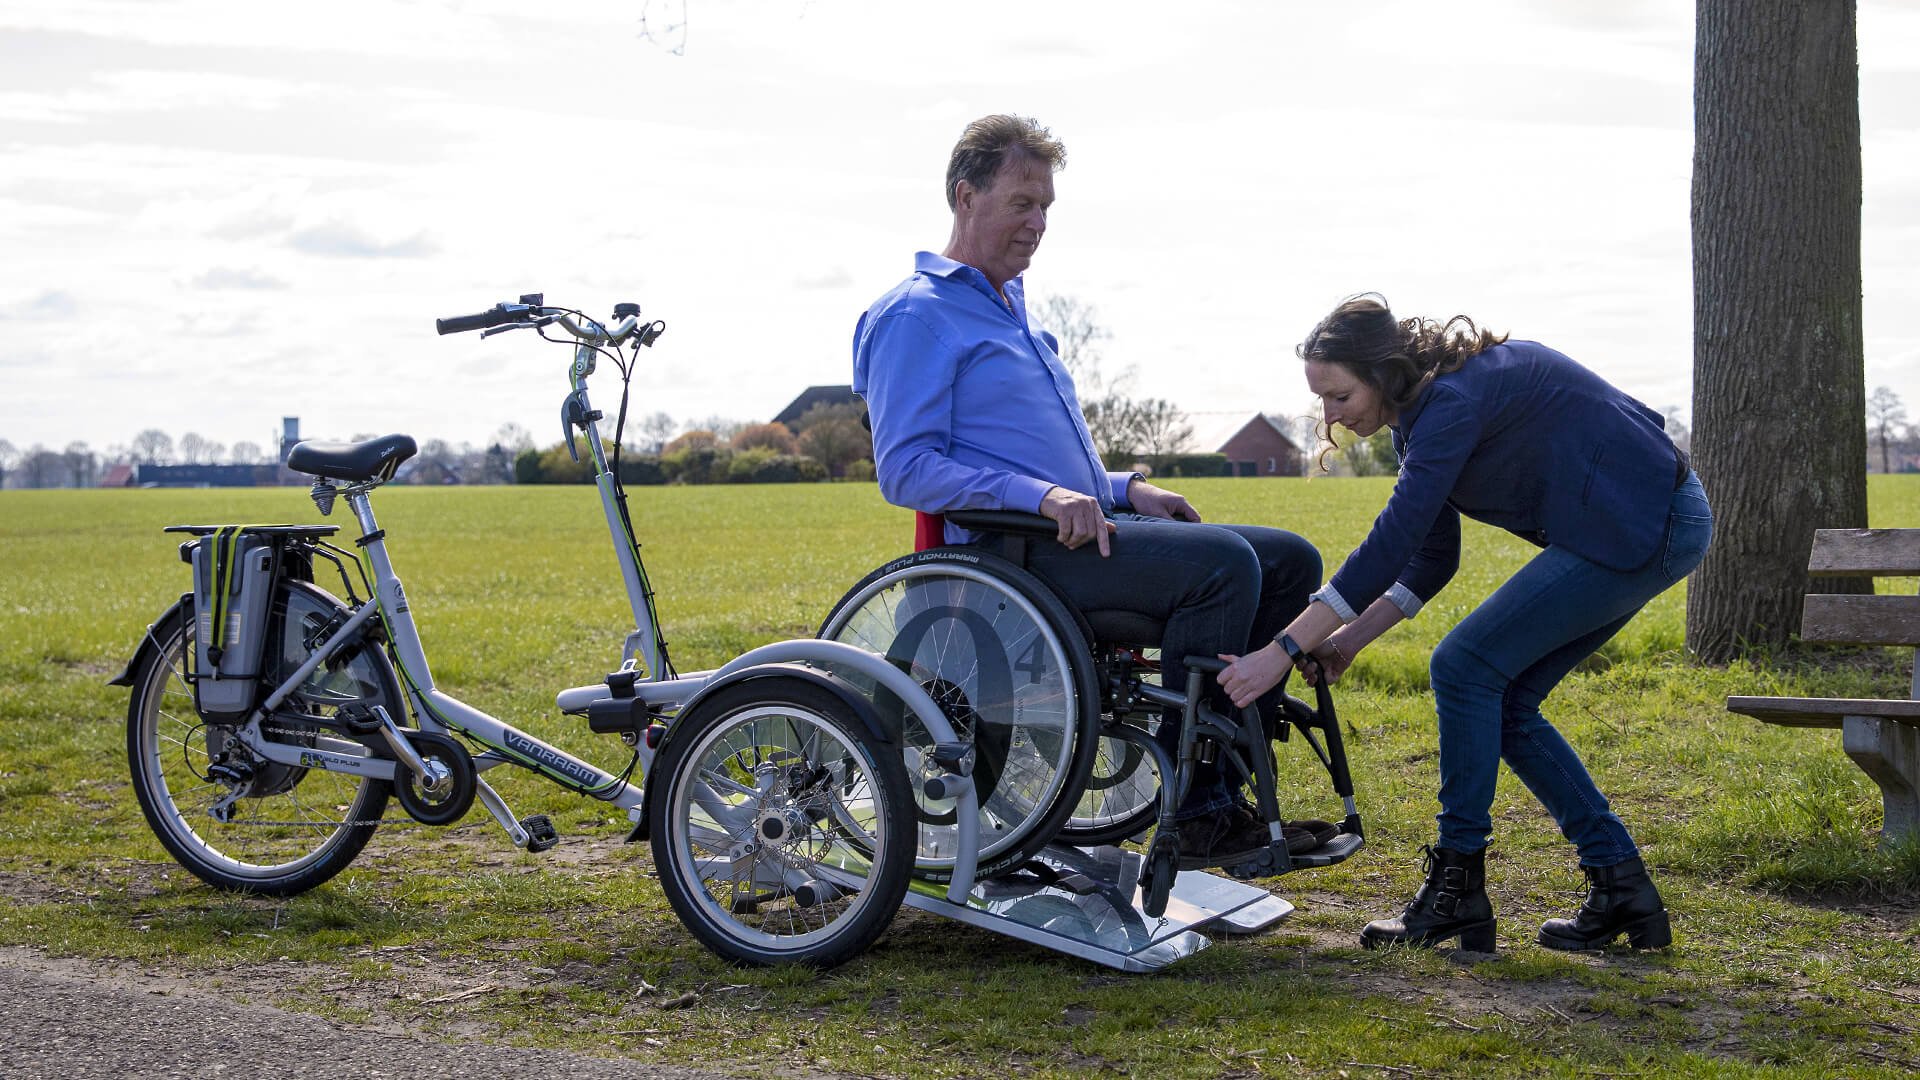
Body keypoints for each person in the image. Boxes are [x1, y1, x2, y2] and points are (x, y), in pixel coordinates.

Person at [853, 114, 1329, 869]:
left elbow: (1047, 459)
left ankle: (1228, 778)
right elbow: (906, 468)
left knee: (1290, 561)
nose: (1039, 223)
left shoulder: (1016, 315)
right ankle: (1199, 812)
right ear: (964, 195)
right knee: (1224, 565)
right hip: (1012, 558)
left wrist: (1124, 488)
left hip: (1079, 528)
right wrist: (1039, 497)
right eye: (1022, 202)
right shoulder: (917, 314)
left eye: (1047, 206)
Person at [1218, 294, 1711, 951]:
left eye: (1337, 396)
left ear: (1379, 371)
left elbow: (1389, 545)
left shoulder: (1450, 405)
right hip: (1640, 523)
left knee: (1463, 666)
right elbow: (1431, 558)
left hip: (1645, 523)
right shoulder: (1422, 419)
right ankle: (1621, 886)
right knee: (1502, 700)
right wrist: (1348, 641)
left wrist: (1283, 648)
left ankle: (1457, 889)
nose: (1329, 416)